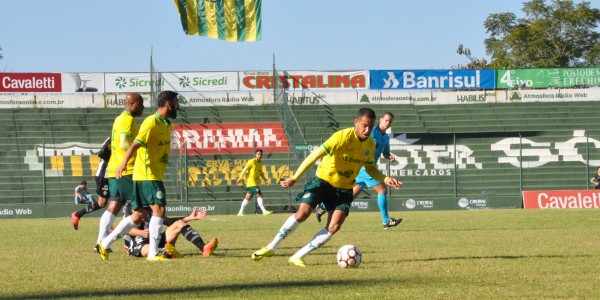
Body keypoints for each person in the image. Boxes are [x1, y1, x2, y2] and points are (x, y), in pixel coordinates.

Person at [251, 108, 403, 267]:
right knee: (302, 214)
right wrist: (295, 178)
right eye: (364, 125)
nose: (367, 130)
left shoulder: (371, 144)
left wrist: (385, 178)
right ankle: (271, 247)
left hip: (344, 189)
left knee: (334, 226)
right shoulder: (341, 137)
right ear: (356, 122)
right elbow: (313, 156)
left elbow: (370, 167)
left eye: (370, 127)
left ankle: (297, 257)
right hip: (323, 181)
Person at [97, 90, 181, 261]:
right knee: (159, 210)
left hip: (151, 174)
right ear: (169, 104)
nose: (178, 107)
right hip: (147, 174)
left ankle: (104, 243)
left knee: (138, 215)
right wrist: (123, 164)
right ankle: (153, 253)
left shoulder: (166, 124)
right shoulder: (150, 123)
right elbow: (134, 144)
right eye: (176, 103)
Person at [315, 112, 402, 229]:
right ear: (380, 120)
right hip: (364, 167)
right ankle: (386, 220)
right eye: (386, 120)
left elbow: (385, 152)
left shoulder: (385, 138)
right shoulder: (371, 132)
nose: (388, 123)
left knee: (350, 196)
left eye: (390, 121)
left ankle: (323, 207)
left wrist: (389, 156)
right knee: (382, 190)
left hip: (369, 167)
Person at [95, 93, 144, 249]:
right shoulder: (128, 120)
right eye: (140, 104)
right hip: (126, 169)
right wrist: (138, 150)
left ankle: (100, 241)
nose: (142, 107)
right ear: (131, 104)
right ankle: (105, 242)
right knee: (142, 210)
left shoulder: (118, 119)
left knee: (114, 206)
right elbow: (123, 143)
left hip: (114, 168)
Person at [123, 206, 218, 259]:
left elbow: (169, 222)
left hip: (156, 240)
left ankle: (204, 248)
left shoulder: (152, 206)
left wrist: (189, 218)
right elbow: (125, 228)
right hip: (138, 245)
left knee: (179, 223)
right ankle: (166, 252)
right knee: (151, 248)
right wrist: (141, 233)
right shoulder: (130, 206)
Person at [71, 137, 111, 230]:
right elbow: (102, 153)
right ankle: (77, 215)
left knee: (119, 200)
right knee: (102, 203)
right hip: (105, 174)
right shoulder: (111, 139)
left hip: (115, 174)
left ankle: (110, 224)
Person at [236, 149, 272, 216]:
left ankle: (240, 212)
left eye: (261, 154)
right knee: (259, 194)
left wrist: (265, 180)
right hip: (252, 183)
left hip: (254, 183)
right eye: (258, 154)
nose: (259, 156)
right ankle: (264, 211)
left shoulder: (260, 163)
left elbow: (261, 173)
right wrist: (240, 178)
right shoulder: (252, 161)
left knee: (248, 197)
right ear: (255, 155)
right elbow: (245, 169)